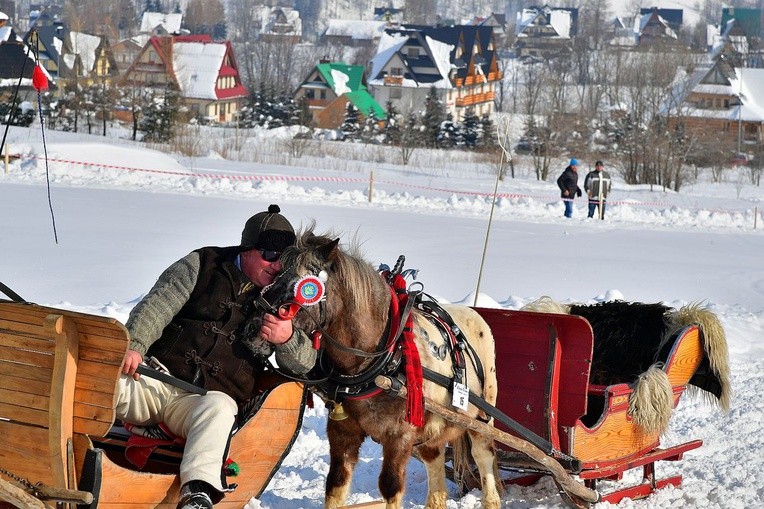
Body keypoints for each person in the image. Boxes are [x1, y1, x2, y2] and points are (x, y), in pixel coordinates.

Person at [117, 204, 317, 509]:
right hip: (154, 380)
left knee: (220, 407)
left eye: (285, 260)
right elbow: (157, 306)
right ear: (247, 249)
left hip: (200, 406)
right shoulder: (202, 263)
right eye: (270, 256)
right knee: (105, 379)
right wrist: (135, 345)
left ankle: (197, 494)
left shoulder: (287, 295)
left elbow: (306, 363)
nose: (277, 266)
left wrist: (286, 338)